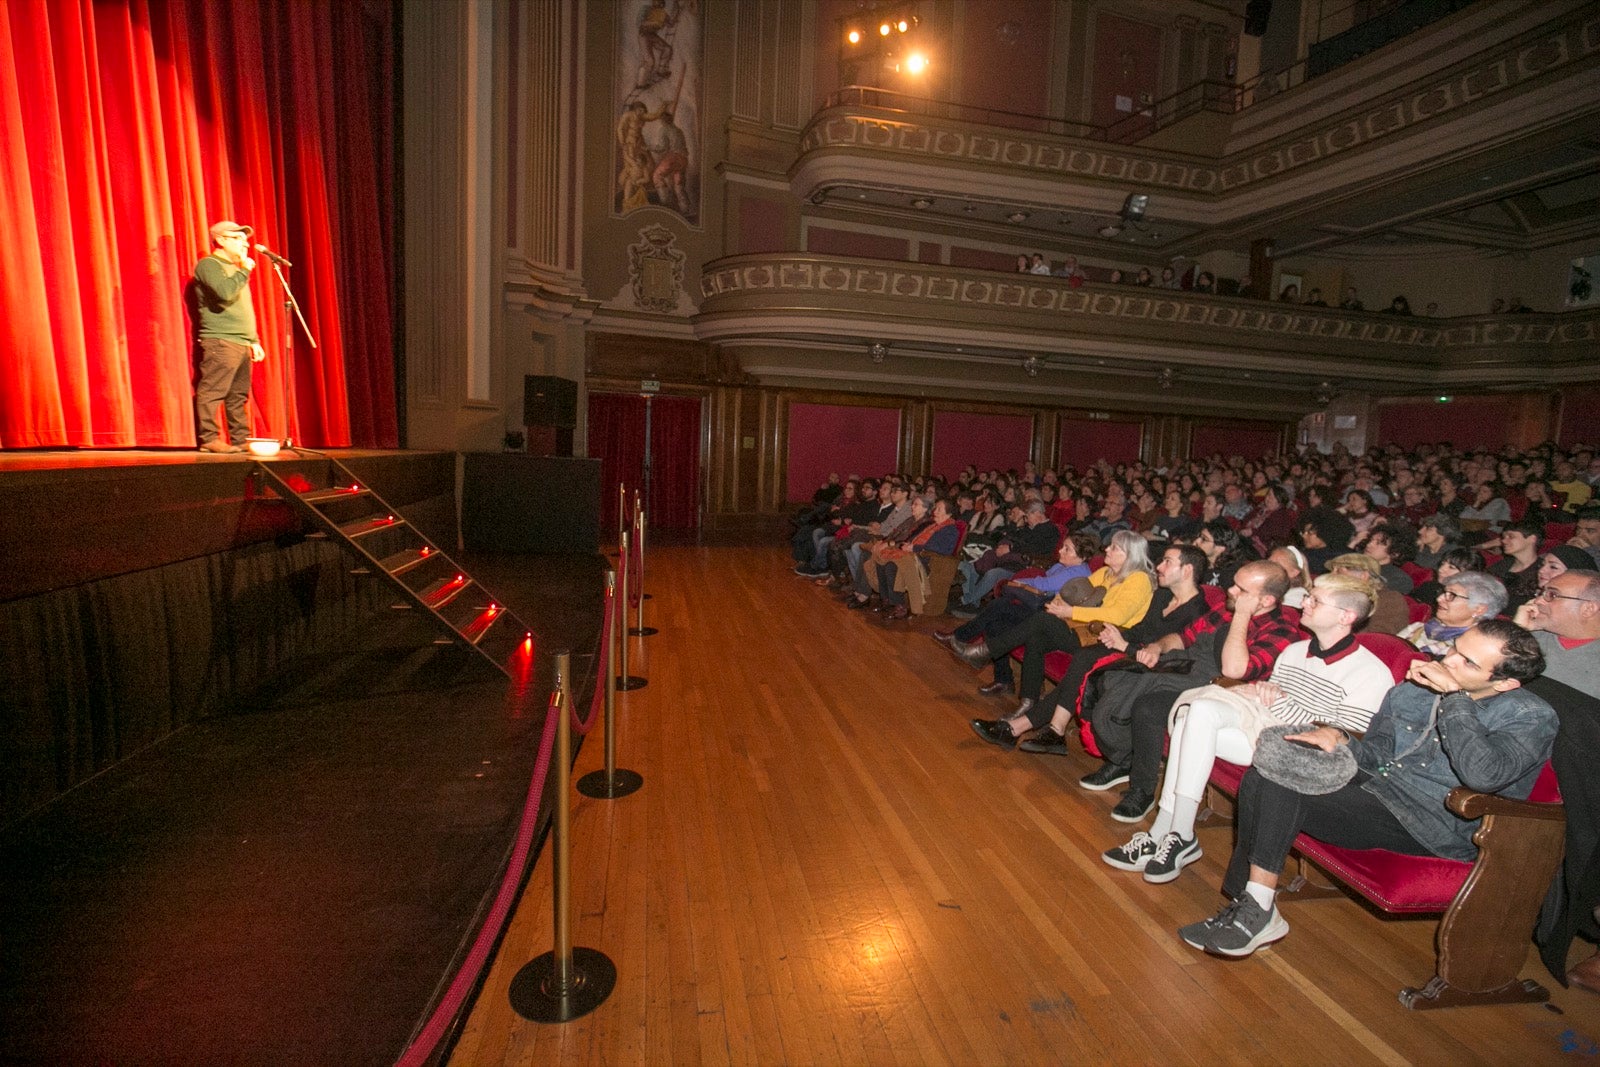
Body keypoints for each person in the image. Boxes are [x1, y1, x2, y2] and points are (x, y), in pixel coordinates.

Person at [1181, 618, 1554, 958]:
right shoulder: (1415, 690)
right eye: (1455, 648)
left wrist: (1454, 699)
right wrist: (1339, 737)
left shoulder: (1530, 716)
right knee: (1268, 770)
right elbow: (1376, 754)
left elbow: (1484, 775)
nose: (1450, 661)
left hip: (1432, 821)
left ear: (1504, 683)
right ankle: (1253, 903)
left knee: (1284, 784)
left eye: (1468, 663)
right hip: (1378, 788)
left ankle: (1254, 909)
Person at [1103, 572, 1392, 883]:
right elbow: (1270, 703)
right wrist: (1257, 692)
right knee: (1195, 712)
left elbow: (1339, 742)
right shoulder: (1296, 652)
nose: (1304, 603)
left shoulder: (1371, 673)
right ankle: (1174, 832)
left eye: (1316, 600)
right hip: (1267, 732)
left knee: (1195, 719)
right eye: (1309, 595)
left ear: (1346, 616)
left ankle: (1170, 832)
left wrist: (1272, 699)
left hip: (1299, 754)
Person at [1082, 560, 1301, 822]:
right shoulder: (1225, 609)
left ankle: (1142, 790)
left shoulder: (1282, 630)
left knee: (1148, 706)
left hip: (1224, 693)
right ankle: (1123, 759)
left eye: (1241, 590)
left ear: (1265, 601)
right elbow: (1184, 637)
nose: (1230, 591)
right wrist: (1158, 647)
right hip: (1190, 671)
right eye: (1233, 584)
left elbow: (1234, 670)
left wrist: (1242, 616)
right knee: (1116, 678)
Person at [953, 531, 1153, 715]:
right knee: (1036, 637)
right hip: (1081, 628)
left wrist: (1069, 611)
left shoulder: (1138, 580)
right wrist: (1060, 601)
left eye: (1114, 547)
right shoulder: (1106, 573)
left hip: (1102, 639)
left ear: (1129, 555)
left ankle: (985, 651)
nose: (1107, 549)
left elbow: (1117, 615)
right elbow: (1074, 591)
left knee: (1041, 620)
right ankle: (1028, 702)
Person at [1518, 570, 1600, 992]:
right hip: (1515, 761)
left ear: (1590, 608)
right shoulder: (1532, 643)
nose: (1541, 598)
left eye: (1553, 593)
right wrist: (1516, 633)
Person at [193, 220, 265, 452]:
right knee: (213, 390)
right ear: (221, 240)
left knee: (238, 395)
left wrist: (253, 340)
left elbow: (244, 310)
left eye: (245, 239)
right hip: (221, 339)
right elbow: (224, 293)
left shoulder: (237, 270)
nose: (245, 243)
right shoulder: (210, 265)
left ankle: (240, 440)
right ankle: (210, 439)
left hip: (242, 342)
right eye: (238, 238)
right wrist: (244, 270)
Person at [1397, 571, 1506, 656]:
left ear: (1478, 609)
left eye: (1452, 595)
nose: (1439, 599)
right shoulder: (1419, 627)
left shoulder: (1466, 650)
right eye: (1444, 593)